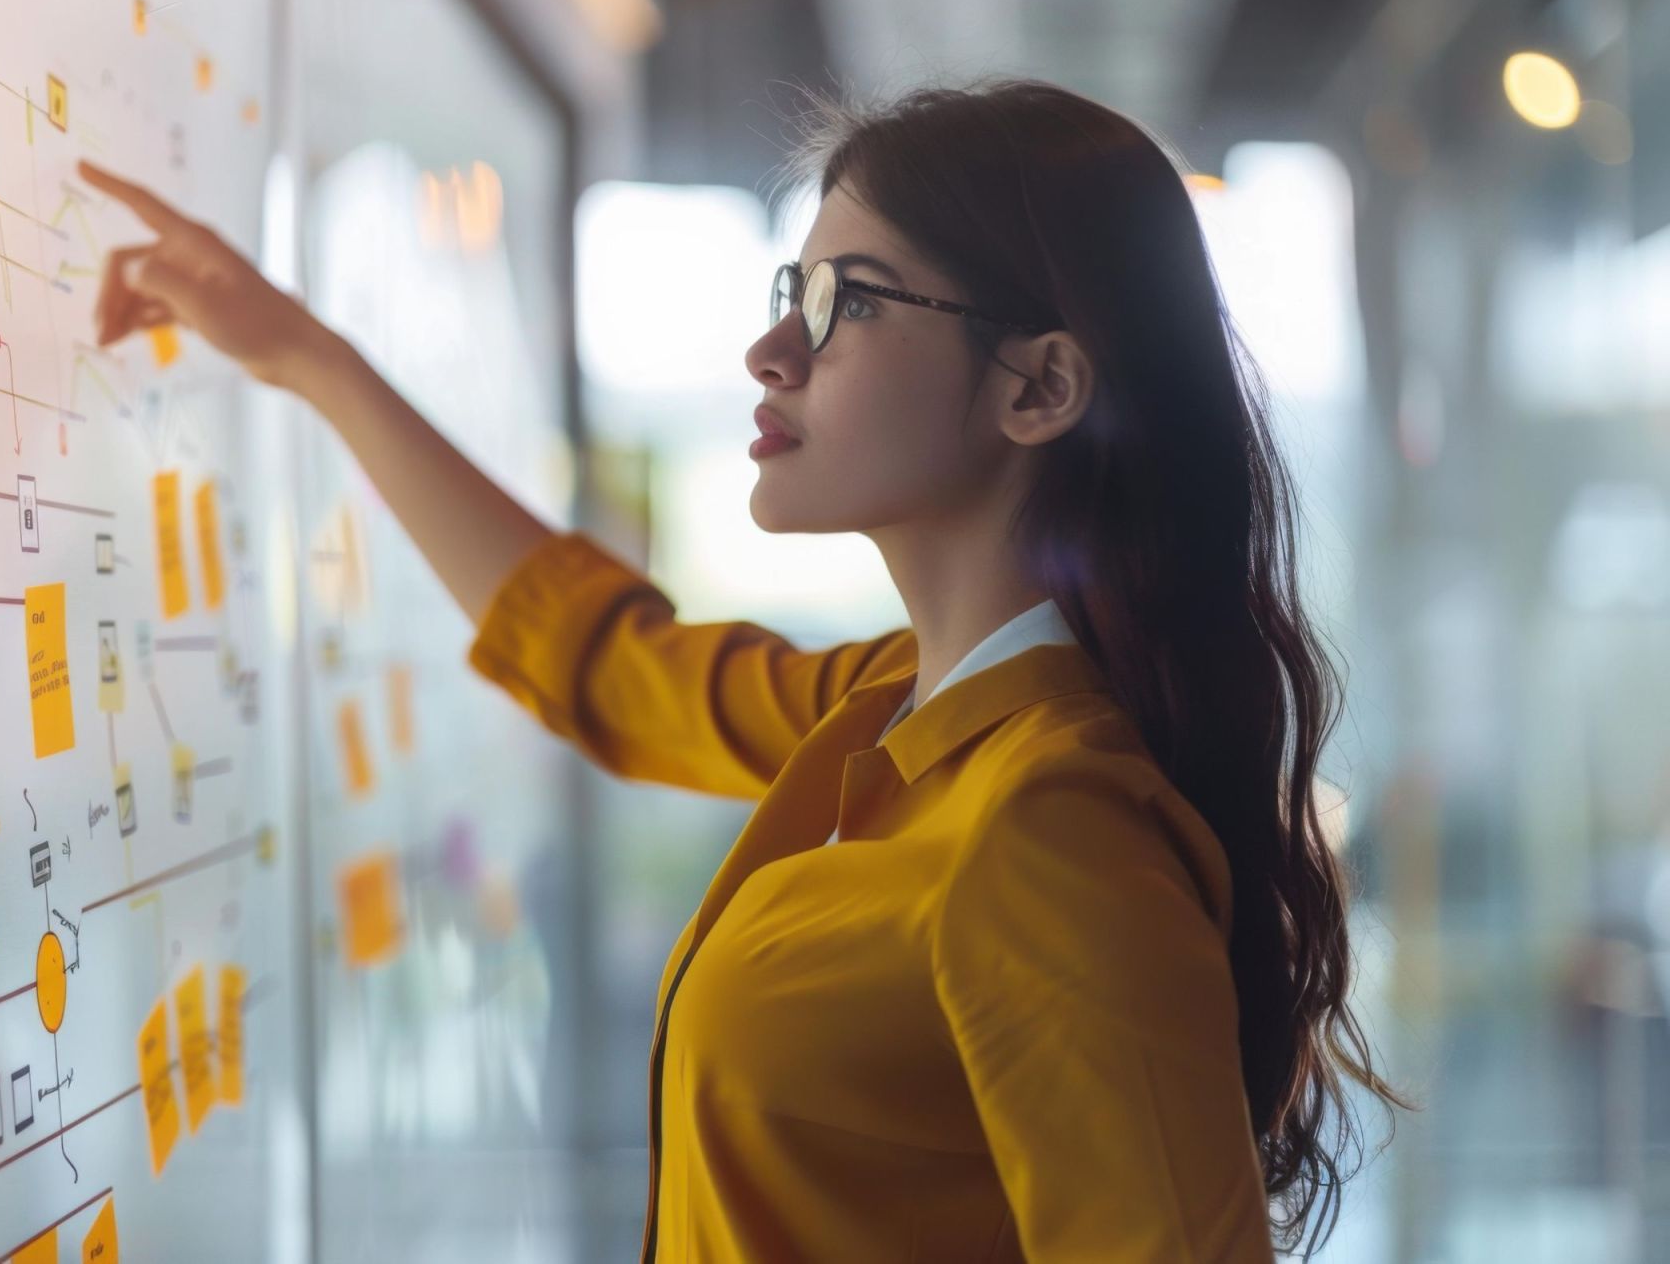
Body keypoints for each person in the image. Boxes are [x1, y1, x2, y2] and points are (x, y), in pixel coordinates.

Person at [78, 74, 1410, 1262]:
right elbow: (604, 659)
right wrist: (303, 355)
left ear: (1040, 387)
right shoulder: (888, 714)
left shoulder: (1050, 823)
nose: (774, 351)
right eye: (795, 292)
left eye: (848, 302)